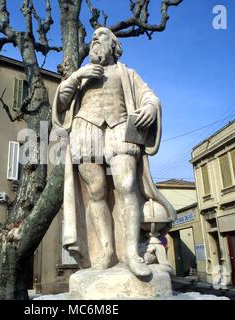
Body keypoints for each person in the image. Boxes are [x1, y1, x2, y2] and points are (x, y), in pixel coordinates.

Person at [53, 27, 175, 277]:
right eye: (94, 38)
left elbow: (150, 97)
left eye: (102, 36)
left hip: (121, 128)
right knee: (96, 191)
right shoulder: (82, 75)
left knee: (126, 184)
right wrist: (77, 76)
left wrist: (151, 108)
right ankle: (107, 250)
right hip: (86, 128)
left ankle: (131, 253)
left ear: (115, 46)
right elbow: (62, 102)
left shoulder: (127, 73)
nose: (96, 39)